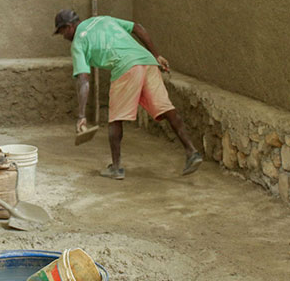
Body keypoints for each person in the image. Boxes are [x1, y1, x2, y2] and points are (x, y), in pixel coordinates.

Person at [54, 9, 203, 179]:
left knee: (116, 118)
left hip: (126, 67)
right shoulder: (103, 19)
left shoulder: (78, 43)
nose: (63, 37)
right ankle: (192, 152)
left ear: (68, 27)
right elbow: (138, 28)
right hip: (147, 61)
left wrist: (81, 115)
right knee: (166, 108)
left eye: (61, 32)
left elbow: (83, 80)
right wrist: (156, 56)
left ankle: (116, 168)